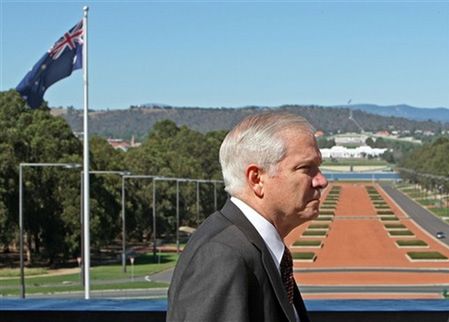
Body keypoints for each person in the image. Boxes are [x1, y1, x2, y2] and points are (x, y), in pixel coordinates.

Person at [167, 112, 328, 322]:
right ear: (257, 179)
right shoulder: (223, 255)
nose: (321, 181)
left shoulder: (244, 244)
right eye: (305, 168)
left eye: (319, 167)